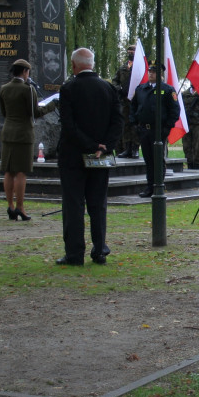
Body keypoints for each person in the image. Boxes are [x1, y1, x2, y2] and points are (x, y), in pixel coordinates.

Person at [56, 48, 124, 266]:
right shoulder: (108, 88)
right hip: (100, 157)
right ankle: (100, 249)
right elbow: (118, 122)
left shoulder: (68, 88)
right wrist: (104, 147)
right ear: (92, 64)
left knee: (74, 205)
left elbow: (69, 125)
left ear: (74, 66)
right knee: (98, 203)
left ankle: (75, 253)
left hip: (73, 155)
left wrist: (90, 145)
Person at [0, 59, 48, 221]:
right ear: (25, 71)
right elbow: (35, 112)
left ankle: (10, 206)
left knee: (8, 170)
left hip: (8, 132)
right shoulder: (28, 90)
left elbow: (4, 112)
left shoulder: (4, 89)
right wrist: (52, 105)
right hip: (24, 134)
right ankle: (20, 207)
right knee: (21, 171)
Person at [131, 63, 180, 198]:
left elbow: (175, 111)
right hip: (144, 129)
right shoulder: (141, 89)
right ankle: (149, 186)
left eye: (154, 72)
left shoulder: (168, 90)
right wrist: (134, 123)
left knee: (158, 159)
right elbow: (133, 106)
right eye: (149, 71)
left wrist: (167, 128)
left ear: (161, 74)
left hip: (159, 130)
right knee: (148, 159)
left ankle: (158, 185)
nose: (151, 74)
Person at [110, 45, 140, 159]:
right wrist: (119, 89)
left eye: (133, 51)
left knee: (135, 125)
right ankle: (127, 148)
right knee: (126, 124)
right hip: (124, 100)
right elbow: (115, 80)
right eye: (129, 51)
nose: (131, 52)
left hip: (136, 100)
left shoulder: (140, 67)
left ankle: (135, 148)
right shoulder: (123, 67)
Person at [180, 84, 199, 169]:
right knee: (187, 146)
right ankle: (189, 164)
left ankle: (197, 164)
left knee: (197, 146)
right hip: (186, 124)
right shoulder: (184, 94)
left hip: (198, 124)